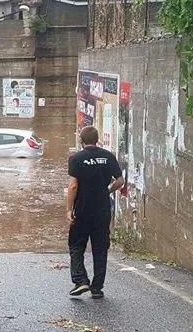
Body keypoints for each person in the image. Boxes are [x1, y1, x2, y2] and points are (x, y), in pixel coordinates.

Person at [66, 125, 124, 299]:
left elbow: (73, 185)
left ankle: (81, 280)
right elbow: (120, 181)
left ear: (81, 141)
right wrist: (107, 191)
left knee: (76, 246)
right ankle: (97, 288)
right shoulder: (108, 156)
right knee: (100, 248)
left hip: (82, 209)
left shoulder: (76, 158)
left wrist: (69, 209)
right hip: (102, 209)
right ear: (97, 139)